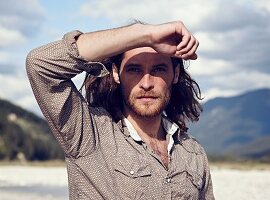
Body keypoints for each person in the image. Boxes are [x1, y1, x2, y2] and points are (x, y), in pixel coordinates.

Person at [26, 21, 214, 200]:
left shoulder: (193, 151)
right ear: (116, 73)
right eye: (134, 69)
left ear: (175, 74)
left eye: (158, 69)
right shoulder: (89, 135)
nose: (146, 83)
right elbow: (40, 65)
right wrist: (144, 33)